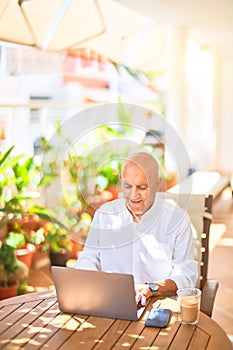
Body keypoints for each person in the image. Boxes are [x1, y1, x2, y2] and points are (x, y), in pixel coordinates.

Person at [75, 152, 197, 305]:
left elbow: (186, 275)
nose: (134, 195)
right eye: (127, 186)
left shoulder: (176, 219)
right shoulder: (105, 215)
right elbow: (88, 258)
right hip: (110, 303)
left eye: (142, 187)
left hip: (158, 304)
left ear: (158, 184)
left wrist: (151, 288)